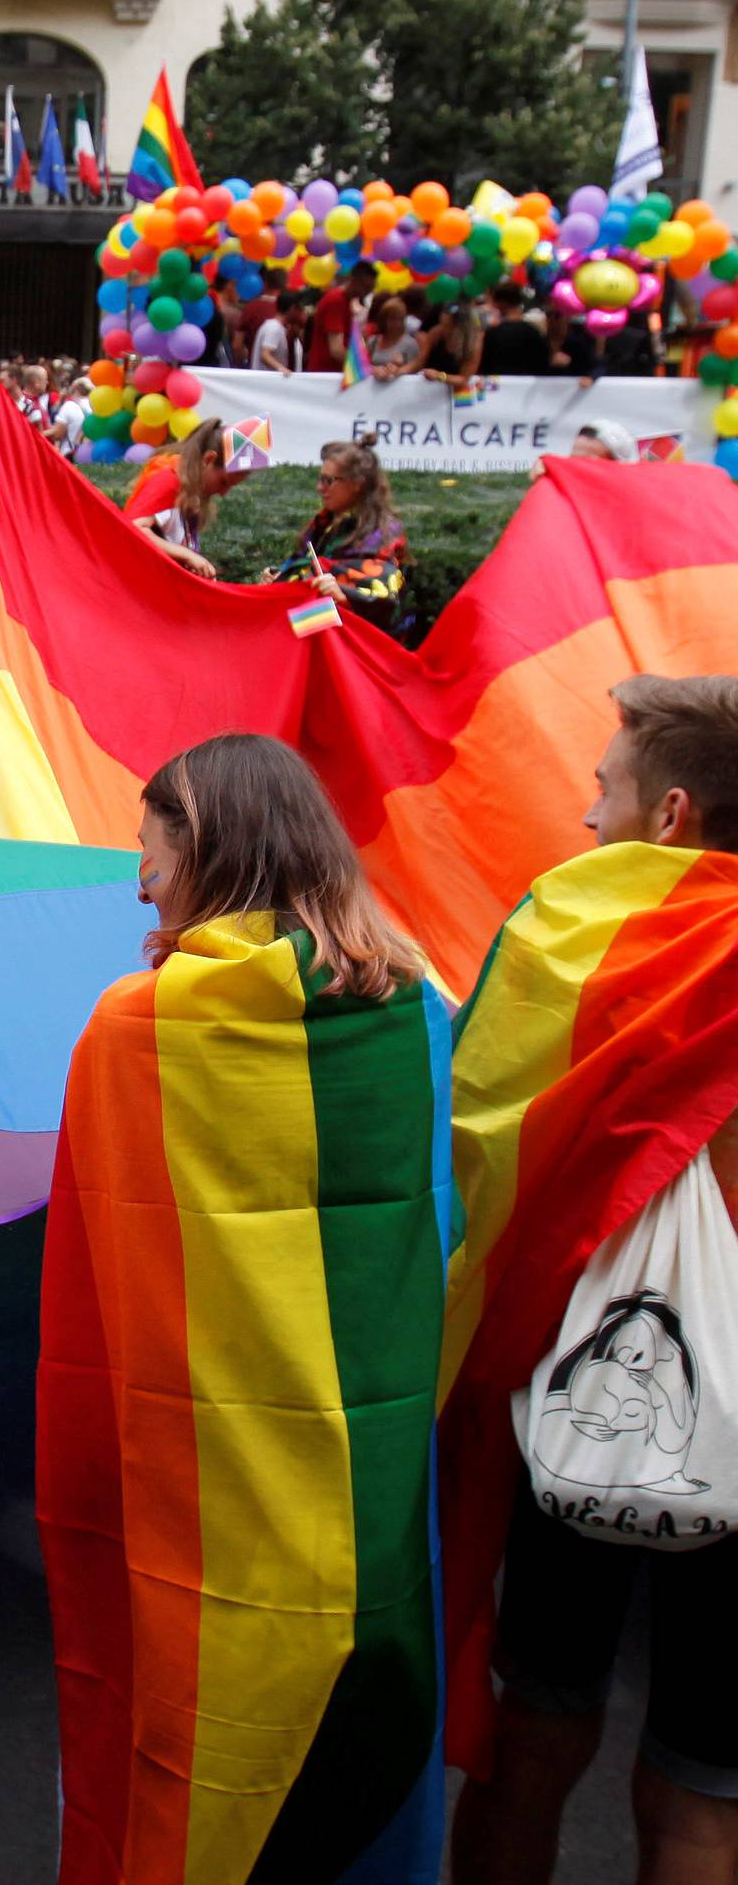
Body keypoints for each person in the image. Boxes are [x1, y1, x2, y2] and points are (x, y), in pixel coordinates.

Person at [40, 733, 452, 1885]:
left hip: (206, 1499)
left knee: (207, 1787)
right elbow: (441, 1236)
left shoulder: (142, 1026)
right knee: (356, 1793)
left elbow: (102, 1286)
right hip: (370, 1490)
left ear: (207, 848)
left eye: (150, 844)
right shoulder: (417, 1009)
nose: (138, 876)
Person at [445, 676, 738, 1885]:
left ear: (670, 815)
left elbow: (479, 1133)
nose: (584, 821)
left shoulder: (581, 935)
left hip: (584, 1390)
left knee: (533, 1736)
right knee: (703, 1787)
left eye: (603, 792)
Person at [273, 437, 408, 631]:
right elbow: (303, 566)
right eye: (321, 479)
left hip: (354, 646)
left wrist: (344, 595)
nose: (320, 488)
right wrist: (281, 578)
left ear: (356, 484)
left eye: (329, 481)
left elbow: (385, 602)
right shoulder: (322, 524)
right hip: (315, 629)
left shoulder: (384, 533)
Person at [122, 416, 247, 579]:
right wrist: (187, 555)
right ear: (208, 459)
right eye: (223, 482)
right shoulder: (169, 480)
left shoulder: (189, 489)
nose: (223, 493)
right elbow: (133, 528)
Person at [309, 260, 375, 373]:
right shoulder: (336, 301)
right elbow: (336, 350)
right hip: (327, 373)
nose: (366, 293)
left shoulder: (345, 301)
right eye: (366, 287)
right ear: (355, 280)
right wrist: (365, 368)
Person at [479, 284, 551, 376]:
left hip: (499, 386)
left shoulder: (493, 334)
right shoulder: (534, 332)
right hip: (528, 386)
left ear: (502, 303)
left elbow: (484, 366)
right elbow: (542, 364)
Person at [415, 297, 484, 389]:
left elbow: (463, 379)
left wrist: (439, 376)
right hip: (430, 388)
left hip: (454, 391)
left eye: (448, 327)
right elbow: (419, 361)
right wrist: (399, 371)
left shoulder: (473, 343)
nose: (444, 329)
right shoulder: (436, 332)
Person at [235, 263, 288, 367]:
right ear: (285, 285)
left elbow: (237, 345)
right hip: (284, 372)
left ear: (265, 283)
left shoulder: (251, 307)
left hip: (255, 370)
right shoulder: (288, 310)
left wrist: (245, 363)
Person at [366, 295, 422, 378]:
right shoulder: (373, 341)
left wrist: (399, 369)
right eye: (392, 319)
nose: (396, 323)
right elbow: (363, 365)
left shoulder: (410, 344)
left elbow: (414, 370)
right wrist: (374, 370)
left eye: (400, 319)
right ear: (384, 320)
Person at [254, 290, 309, 373]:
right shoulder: (274, 328)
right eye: (300, 310)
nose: (301, 313)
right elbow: (265, 355)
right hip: (267, 382)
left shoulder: (278, 328)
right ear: (293, 308)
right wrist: (282, 369)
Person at [545, 301, 598, 382]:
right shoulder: (539, 343)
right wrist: (549, 363)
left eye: (558, 316)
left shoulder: (576, 343)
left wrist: (590, 378)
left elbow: (598, 366)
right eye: (549, 316)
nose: (554, 321)